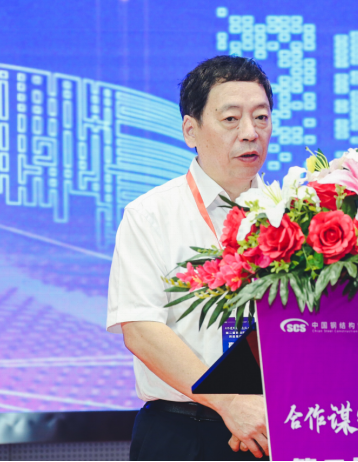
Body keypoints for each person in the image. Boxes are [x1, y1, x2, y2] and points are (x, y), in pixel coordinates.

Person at [106, 56, 273, 462]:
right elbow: (140, 329)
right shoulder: (151, 214)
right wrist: (231, 404)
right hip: (183, 433)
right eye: (231, 119)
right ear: (190, 130)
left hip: (274, 430)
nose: (250, 133)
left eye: (261, 117)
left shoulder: (296, 213)